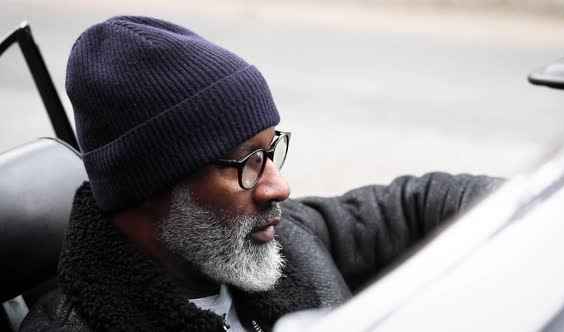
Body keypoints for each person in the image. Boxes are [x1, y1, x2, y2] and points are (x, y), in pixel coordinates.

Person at [20, 16, 498, 332]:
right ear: (149, 185)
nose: (278, 186)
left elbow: (417, 202)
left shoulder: (282, 242)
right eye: (244, 161)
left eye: (271, 151)